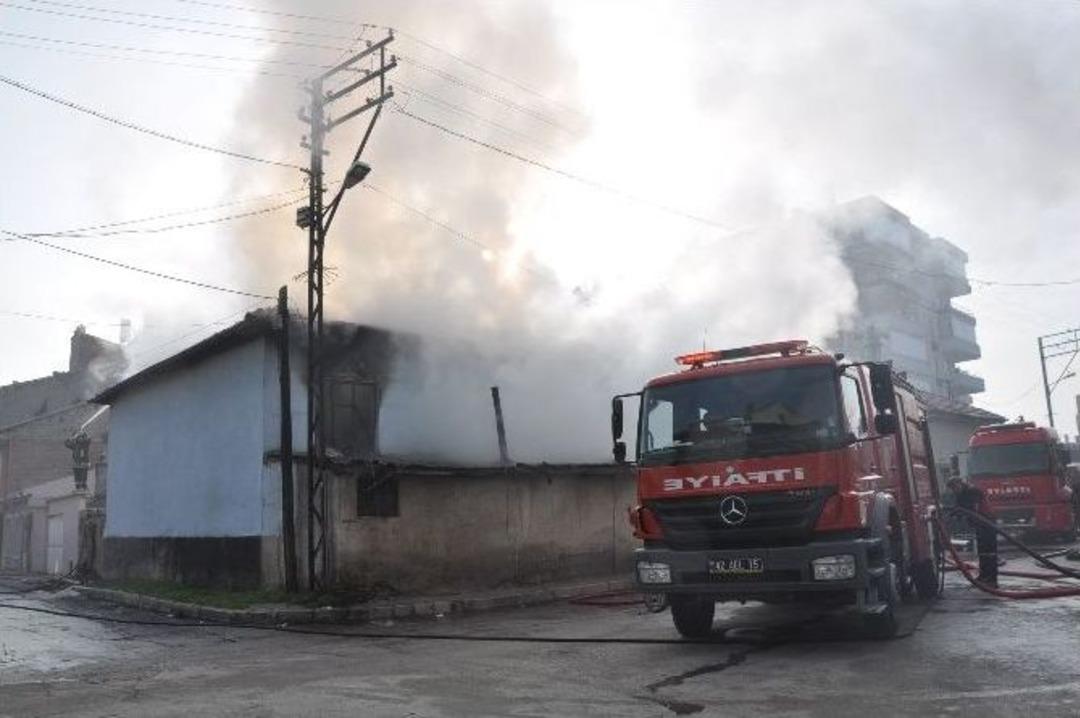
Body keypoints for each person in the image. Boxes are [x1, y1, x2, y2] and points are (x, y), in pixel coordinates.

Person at [947, 476, 998, 587]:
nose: (954, 491)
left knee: (989, 552)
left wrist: (960, 512)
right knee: (982, 552)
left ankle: (992, 579)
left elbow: (972, 509)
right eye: (952, 489)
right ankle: (984, 576)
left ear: (959, 484)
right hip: (979, 524)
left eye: (955, 488)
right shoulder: (961, 494)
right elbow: (959, 508)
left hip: (987, 523)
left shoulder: (973, 491)